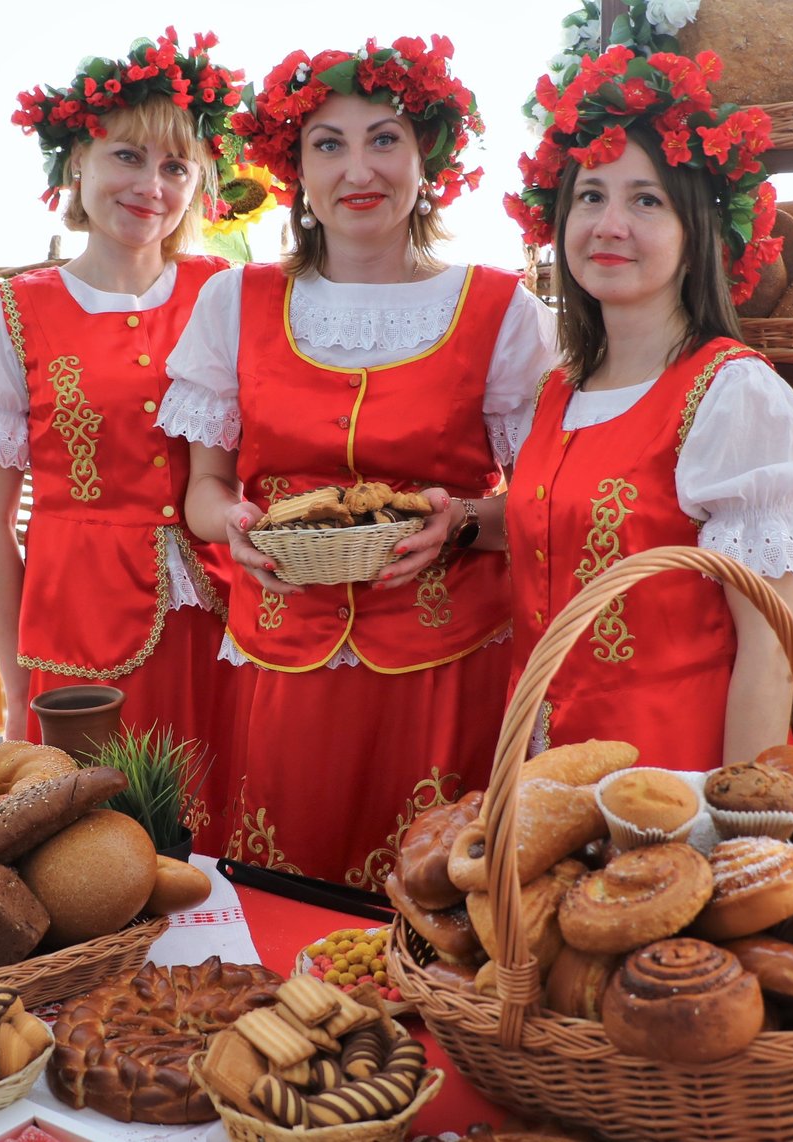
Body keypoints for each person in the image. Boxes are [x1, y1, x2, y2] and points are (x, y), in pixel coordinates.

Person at [158, 36, 557, 889]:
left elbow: (544, 505)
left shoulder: (501, 310)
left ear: (428, 163)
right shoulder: (234, 301)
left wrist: (463, 524)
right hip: (285, 662)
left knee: (438, 906)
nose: (357, 169)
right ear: (295, 170)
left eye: (384, 139)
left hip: (448, 666)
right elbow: (203, 489)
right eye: (327, 145)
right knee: (286, 903)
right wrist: (233, 526)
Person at [0, 30, 243, 843]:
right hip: (78, 627)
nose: (152, 185)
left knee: (225, 828)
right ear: (77, 161)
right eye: (128, 157)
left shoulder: (227, 295)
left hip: (222, 615)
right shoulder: (11, 316)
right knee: (100, 850)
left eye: (175, 167)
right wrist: (13, 684)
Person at [502, 44, 793, 770]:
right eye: (591, 196)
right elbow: (567, 531)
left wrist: (737, 832)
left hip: (676, 783)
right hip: (548, 775)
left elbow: (770, 655)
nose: (609, 224)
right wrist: (457, 519)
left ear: (694, 235)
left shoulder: (733, 396)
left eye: (645, 200)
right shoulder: (557, 390)